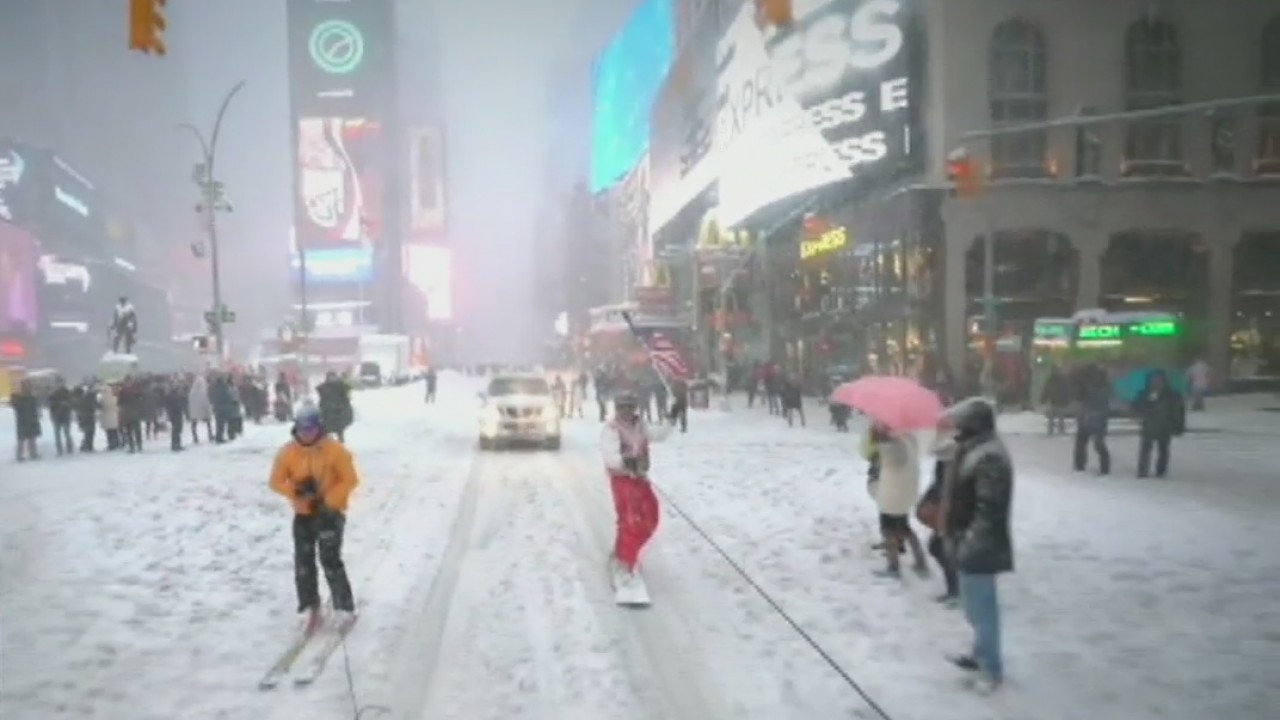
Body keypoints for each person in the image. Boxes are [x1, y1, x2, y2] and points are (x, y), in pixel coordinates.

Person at [940, 398, 1014, 694]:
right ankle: (979, 653)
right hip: (966, 538)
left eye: (961, 423)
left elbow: (990, 509)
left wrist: (971, 542)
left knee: (983, 610)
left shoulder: (989, 457)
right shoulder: (972, 449)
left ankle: (992, 669)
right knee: (973, 607)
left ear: (975, 425)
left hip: (980, 543)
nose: (956, 428)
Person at [269, 402, 359, 630]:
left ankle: (343, 606)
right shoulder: (288, 453)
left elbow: (350, 479)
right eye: (301, 429)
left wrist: (328, 500)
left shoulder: (335, 451)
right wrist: (296, 492)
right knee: (303, 561)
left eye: (310, 429)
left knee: (330, 559)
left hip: (330, 513)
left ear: (319, 428)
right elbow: (275, 481)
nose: (306, 434)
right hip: (303, 514)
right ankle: (309, 606)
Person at [600, 392, 671, 591]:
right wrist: (626, 461)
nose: (626, 411)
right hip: (622, 479)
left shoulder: (641, 425)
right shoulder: (612, 429)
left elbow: (659, 434)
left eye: (630, 407)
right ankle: (624, 564)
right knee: (630, 520)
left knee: (650, 518)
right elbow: (609, 456)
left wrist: (672, 416)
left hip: (640, 477)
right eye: (622, 407)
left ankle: (623, 552)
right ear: (616, 409)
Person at [869, 422, 928, 578]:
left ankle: (893, 566)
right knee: (904, 527)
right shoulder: (908, 436)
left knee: (888, 529)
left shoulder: (893, 445)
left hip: (892, 492)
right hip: (904, 490)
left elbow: (888, 461)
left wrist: (879, 440)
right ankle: (921, 561)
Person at [1132, 369, 1183, 478]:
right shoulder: (1145, 394)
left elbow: (1177, 411)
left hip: (1165, 425)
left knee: (1163, 449)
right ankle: (1143, 470)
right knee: (1145, 448)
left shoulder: (1171, 395)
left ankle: (1161, 470)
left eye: (1159, 380)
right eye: (1154, 380)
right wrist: (1142, 410)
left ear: (1164, 381)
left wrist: (1178, 425)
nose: (1156, 383)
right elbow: (1136, 406)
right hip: (1149, 425)